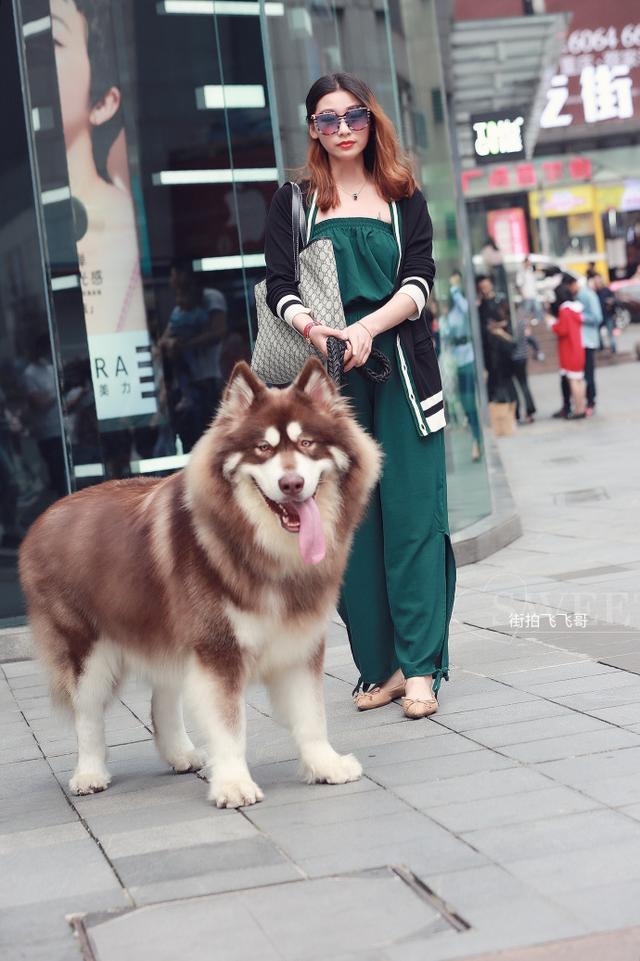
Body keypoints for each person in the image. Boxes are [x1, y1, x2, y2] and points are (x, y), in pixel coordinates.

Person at [264, 72, 455, 719]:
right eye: (327, 119)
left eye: (354, 117)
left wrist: (370, 326)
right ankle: (383, 666)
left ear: (372, 122)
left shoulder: (404, 199)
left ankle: (423, 666)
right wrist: (316, 330)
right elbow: (279, 286)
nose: (342, 129)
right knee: (351, 531)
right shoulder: (295, 202)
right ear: (313, 129)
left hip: (402, 372)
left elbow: (420, 282)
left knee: (411, 522)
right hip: (330, 379)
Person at [51, 0, 146, 336]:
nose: (37, 63)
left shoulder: (122, 229)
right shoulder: (48, 221)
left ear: (104, 102)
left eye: (51, 41)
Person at [444, 271, 481, 460]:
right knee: (464, 403)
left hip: (468, 358)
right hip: (455, 361)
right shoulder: (450, 313)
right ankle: (475, 436)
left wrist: (455, 289)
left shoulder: (464, 305)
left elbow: (467, 309)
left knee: (470, 402)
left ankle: (477, 440)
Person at [550, 279, 586, 420]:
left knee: (573, 381)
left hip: (569, 350)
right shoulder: (575, 310)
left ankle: (578, 409)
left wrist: (553, 324)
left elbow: (563, 330)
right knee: (579, 380)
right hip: (578, 348)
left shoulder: (565, 311)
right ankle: (581, 407)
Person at [576, 275, 603, 416]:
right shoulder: (581, 295)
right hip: (581, 341)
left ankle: (591, 401)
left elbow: (597, 317)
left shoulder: (588, 295)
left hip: (588, 341)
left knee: (589, 374)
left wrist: (579, 317)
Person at [592, 273, 618, 354]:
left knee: (610, 333)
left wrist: (611, 303)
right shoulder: (594, 292)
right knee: (597, 333)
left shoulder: (606, 290)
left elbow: (614, 300)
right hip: (599, 315)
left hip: (607, 315)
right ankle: (601, 347)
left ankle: (613, 348)